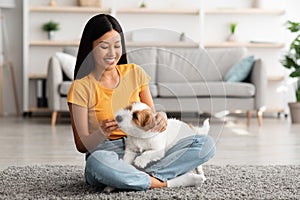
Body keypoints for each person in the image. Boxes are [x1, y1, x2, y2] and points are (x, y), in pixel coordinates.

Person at [67, 14, 216, 191]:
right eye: (103, 46)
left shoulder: (134, 72)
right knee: (97, 165)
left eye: (117, 45)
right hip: (107, 152)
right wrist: (100, 133)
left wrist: (160, 117)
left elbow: (152, 118)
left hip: (145, 149)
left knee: (205, 144)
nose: (112, 53)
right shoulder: (80, 87)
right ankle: (167, 181)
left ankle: (129, 178)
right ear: (90, 47)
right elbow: (81, 146)